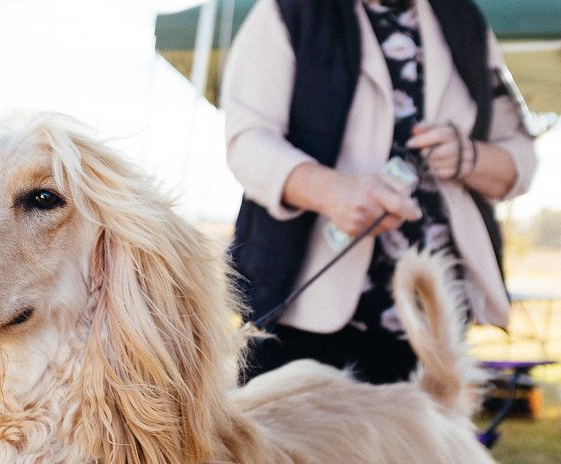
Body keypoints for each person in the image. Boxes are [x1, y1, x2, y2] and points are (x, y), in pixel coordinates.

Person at [222, 0, 537, 385]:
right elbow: (246, 141)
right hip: (303, 314)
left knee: (416, 446)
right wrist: (333, 192)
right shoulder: (289, 10)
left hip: (430, 326)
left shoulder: (464, 18)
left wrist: (468, 156)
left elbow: (521, 158)